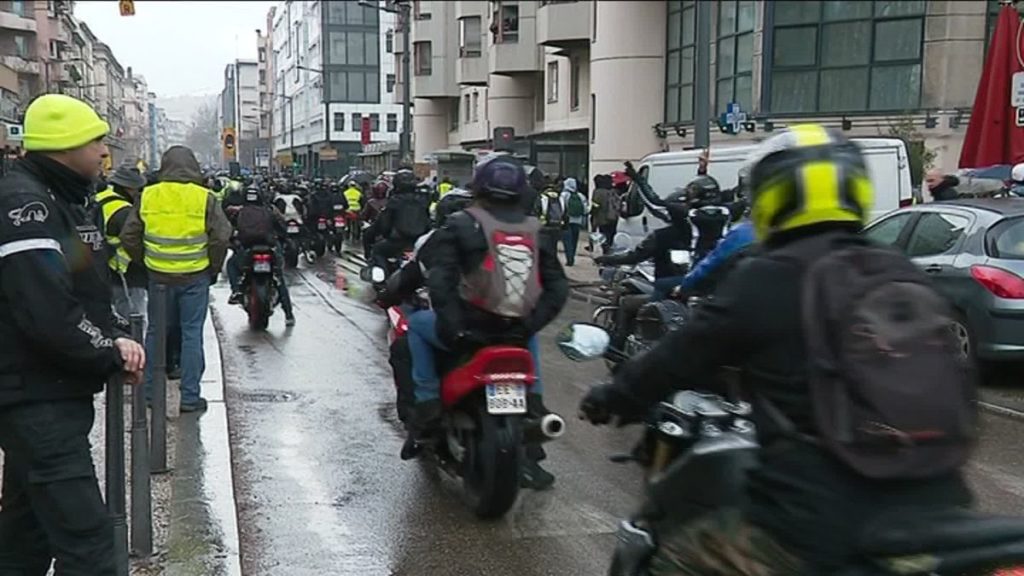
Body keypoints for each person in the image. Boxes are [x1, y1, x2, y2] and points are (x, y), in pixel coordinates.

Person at [580, 124, 974, 575]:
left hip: (814, 524)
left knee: (663, 558)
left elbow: (679, 356)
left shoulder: (765, 276)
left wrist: (614, 397)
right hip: (940, 511)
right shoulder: (900, 271)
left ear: (772, 196)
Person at [0, 93, 145, 574]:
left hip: (44, 392)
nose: (105, 151)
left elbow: (84, 284)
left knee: (26, 538)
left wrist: (116, 329)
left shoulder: (60, 198)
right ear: (66, 145)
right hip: (36, 398)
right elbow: (46, 310)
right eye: (96, 140)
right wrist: (108, 351)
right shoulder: (26, 203)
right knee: (90, 548)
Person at [417, 154, 570, 489]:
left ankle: (427, 403)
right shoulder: (535, 229)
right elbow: (558, 286)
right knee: (523, 338)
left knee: (415, 327)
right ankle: (535, 401)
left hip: (470, 327)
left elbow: (439, 282)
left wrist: (456, 327)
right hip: (513, 330)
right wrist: (531, 324)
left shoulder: (460, 224)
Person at [121, 146, 232, 413]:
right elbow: (221, 236)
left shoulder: (148, 195)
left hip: (158, 277)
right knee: (192, 335)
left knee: (156, 333)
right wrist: (212, 268)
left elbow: (129, 236)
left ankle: (149, 394)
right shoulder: (204, 197)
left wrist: (145, 260)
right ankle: (190, 397)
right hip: (194, 278)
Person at [375, 188, 475, 427]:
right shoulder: (495, 236)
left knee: (405, 343)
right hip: (500, 323)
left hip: (458, 325)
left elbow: (408, 276)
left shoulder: (434, 242)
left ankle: (420, 413)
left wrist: (387, 295)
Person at [594, 183, 693, 346]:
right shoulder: (691, 231)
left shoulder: (661, 236)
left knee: (627, 302)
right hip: (687, 286)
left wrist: (606, 259)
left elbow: (634, 257)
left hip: (666, 288)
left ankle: (618, 341)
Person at [226, 187, 296, 326]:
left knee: (231, 265)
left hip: (247, 249)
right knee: (279, 278)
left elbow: (231, 230)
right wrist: (283, 238)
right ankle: (288, 314)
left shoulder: (239, 212)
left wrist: (232, 242)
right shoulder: (270, 211)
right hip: (269, 248)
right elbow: (282, 227)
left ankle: (236, 291)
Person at [94, 162, 149, 319]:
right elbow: (132, 239)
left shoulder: (100, 198)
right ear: (129, 188)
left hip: (103, 265)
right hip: (127, 271)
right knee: (133, 317)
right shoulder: (124, 211)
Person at [371, 168, 432, 272]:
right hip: (420, 242)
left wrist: (378, 232)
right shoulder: (422, 200)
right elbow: (428, 220)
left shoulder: (394, 201)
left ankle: (382, 277)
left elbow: (384, 224)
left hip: (398, 242)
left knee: (377, 251)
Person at [560, 177, 587, 266]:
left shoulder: (563, 195)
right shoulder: (580, 196)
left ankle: (569, 258)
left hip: (567, 220)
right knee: (574, 241)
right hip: (577, 221)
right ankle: (573, 256)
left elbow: (562, 208)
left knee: (567, 241)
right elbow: (585, 209)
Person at [535, 177, 566, 254]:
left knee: (544, 246)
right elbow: (565, 212)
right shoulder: (560, 198)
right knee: (554, 246)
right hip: (557, 225)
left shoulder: (542, 197)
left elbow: (537, 210)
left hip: (544, 226)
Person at [590, 174, 619, 254]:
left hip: (602, 218)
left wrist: (592, 212)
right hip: (613, 217)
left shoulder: (598, 192)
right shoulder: (613, 191)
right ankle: (609, 249)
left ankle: (606, 252)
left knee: (604, 235)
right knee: (611, 235)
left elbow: (596, 205)